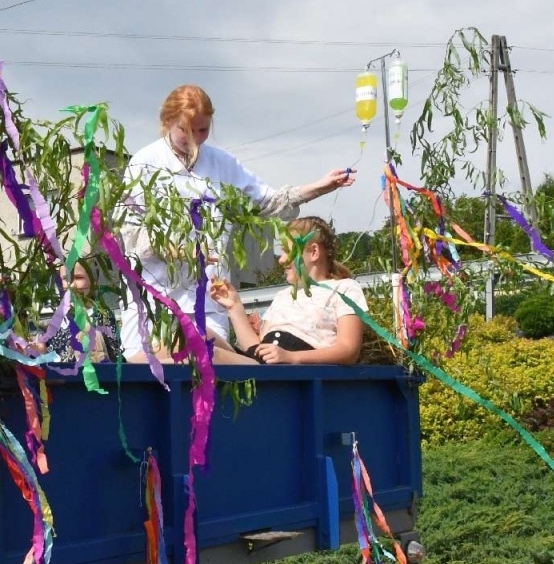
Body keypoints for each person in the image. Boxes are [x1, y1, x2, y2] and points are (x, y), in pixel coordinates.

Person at [119, 85, 356, 360]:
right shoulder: (145, 164)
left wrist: (317, 188)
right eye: (187, 130)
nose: (196, 140)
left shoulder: (222, 164)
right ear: (167, 122)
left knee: (203, 371)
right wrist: (182, 251)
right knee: (150, 373)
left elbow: (267, 201)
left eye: (202, 130)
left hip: (207, 300)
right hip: (154, 299)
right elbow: (131, 233)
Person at [209, 217, 368, 365]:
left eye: (287, 251)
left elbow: (349, 350)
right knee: (189, 333)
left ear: (313, 252)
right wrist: (234, 306)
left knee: (205, 353)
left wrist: (292, 357)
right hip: (262, 366)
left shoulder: (344, 288)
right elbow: (256, 348)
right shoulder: (283, 296)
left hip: (288, 372)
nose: (281, 259)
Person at [46, 260, 116, 363]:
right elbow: (52, 350)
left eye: (78, 278)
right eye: (66, 279)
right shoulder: (59, 317)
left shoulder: (102, 315)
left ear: (94, 281)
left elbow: (114, 355)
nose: (71, 285)